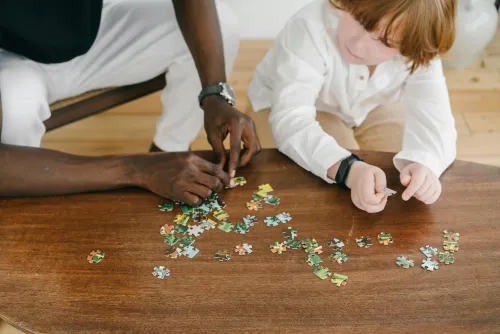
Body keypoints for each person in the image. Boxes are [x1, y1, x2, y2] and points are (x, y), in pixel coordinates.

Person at [0, 0, 261, 206]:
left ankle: (169, 152)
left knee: (222, 22)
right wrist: (136, 169)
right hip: (9, 59)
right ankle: (26, 216)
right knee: (16, 114)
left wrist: (214, 93)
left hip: (88, 30)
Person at [248, 0, 457, 213]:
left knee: (399, 175)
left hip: (369, 106)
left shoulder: (418, 46)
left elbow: (436, 118)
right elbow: (290, 117)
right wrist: (347, 169)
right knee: (334, 187)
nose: (358, 44)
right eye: (360, 21)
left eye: (384, 42)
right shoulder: (309, 27)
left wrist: (427, 165)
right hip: (285, 106)